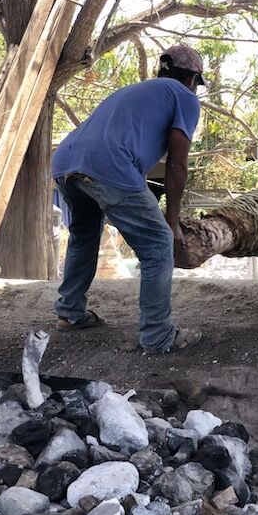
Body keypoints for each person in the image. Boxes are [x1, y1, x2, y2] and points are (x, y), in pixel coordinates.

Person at [51, 44, 205, 352]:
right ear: (192, 80)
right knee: (159, 243)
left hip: (66, 161)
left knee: (84, 233)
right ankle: (158, 335)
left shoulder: (138, 91)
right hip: (108, 164)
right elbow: (178, 162)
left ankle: (70, 312)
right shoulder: (185, 97)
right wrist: (171, 221)